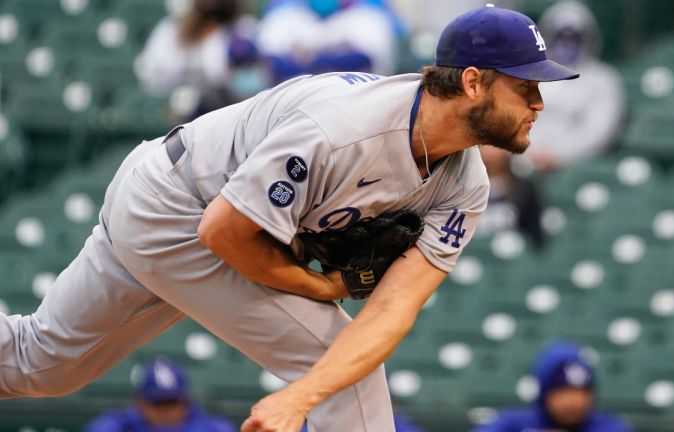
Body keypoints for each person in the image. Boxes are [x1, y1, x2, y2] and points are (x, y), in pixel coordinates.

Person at [0, 5, 577, 432]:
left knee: (40, 366)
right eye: (526, 86)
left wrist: (308, 361)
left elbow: (393, 310)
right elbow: (222, 232)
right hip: (178, 207)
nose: (540, 103)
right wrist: (312, 292)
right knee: (344, 379)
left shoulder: (465, 183)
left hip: (175, 197)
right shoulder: (346, 130)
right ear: (473, 82)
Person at [525, 0, 625, 170]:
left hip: (578, 166)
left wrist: (560, 155)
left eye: (574, 37)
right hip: (524, 163)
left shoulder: (603, 80)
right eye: (560, 36)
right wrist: (528, 155)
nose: (567, 44)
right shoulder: (526, 75)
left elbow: (599, 131)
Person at [472, 341, 632, 432]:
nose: (573, 401)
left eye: (581, 391)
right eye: (562, 390)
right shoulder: (511, 422)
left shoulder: (608, 426)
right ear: (543, 393)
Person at [140, 0, 263, 115]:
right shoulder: (172, 29)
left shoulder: (244, 26)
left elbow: (254, 81)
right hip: (181, 111)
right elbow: (152, 75)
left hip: (225, 110)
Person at [258, 0, 401, 83]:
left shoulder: (369, 17)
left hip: (355, 108)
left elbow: (369, 60)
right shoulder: (282, 17)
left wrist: (310, 62)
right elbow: (268, 61)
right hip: (293, 108)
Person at [82, 359, 236, 432]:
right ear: (140, 403)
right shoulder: (117, 425)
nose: (165, 410)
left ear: (186, 401)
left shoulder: (213, 428)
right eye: (157, 403)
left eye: (172, 402)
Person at [476, 145, 545, 248]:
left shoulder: (523, 188)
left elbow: (533, 230)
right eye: (483, 145)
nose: (489, 152)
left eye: (495, 145)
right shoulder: (458, 188)